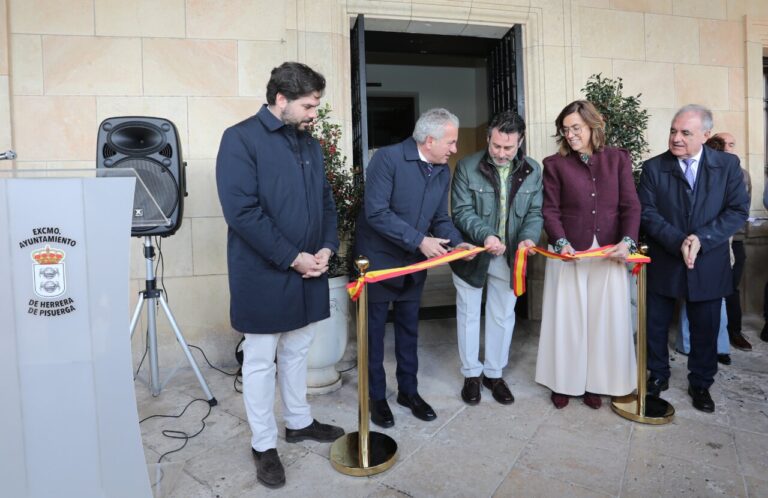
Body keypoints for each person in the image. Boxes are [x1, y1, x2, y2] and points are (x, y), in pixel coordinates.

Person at [216, 62, 344, 489]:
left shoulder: (310, 144)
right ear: (281, 99)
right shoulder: (239, 139)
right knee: (260, 360)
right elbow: (242, 213)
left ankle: (299, 421)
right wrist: (294, 257)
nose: (314, 113)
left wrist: (327, 247)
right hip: (264, 272)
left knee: (298, 350)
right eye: (309, 105)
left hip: (309, 268)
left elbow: (327, 202)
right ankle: (263, 444)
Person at [355, 108, 475, 428]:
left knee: (409, 331)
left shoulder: (442, 169)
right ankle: (376, 397)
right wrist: (420, 240)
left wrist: (456, 243)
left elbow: (440, 218)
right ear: (430, 139)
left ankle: (409, 391)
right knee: (374, 335)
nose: (454, 149)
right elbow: (376, 212)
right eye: (451, 142)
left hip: (413, 263)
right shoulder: (387, 159)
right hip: (379, 263)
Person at [639, 104, 749, 413]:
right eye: (673, 131)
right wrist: (679, 241)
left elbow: (737, 210)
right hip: (666, 258)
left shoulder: (727, 166)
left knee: (706, 327)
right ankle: (658, 376)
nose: (676, 138)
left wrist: (701, 239)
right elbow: (647, 213)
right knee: (656, 325)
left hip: (708, 261)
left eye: (685, 133)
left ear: (705, 134)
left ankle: (701, 382)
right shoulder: (653, 168)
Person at [535, 100, 640, 410]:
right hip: (570, 252)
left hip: (609, 251)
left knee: (604, 319)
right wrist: (561, 240)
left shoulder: (618, 159)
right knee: (568, 320)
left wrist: (629, 241)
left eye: (576, 128)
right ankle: (564, 382)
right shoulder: (555, 165)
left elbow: (631, 206)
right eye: (565, 130)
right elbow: (550, 210)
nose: (570, 135)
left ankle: (596, 383)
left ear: (594, 126)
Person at [449, 110, 543, 406]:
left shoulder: (533, 169)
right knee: (468, 314)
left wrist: (529, 237)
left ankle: (493, 373)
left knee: (503, 315)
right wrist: (487, 236)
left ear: (520, 142)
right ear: (488, 138)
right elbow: (462, 210)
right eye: (496, 146)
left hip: (511, 255)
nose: (501, 153)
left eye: (509, 147)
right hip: (474, 253)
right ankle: (471, 375)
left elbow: (535, 212)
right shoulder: (466, 166)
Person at [676, 133, 752, 363]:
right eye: (727, 146)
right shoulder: (689, 174)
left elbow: (737, 210)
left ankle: (719, 347)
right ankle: (687, 344)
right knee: (691, 295)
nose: (730, 150)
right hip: (688, 243)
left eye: (732, 145)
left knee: (717, 298)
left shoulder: (737, 173)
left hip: (719, 244)